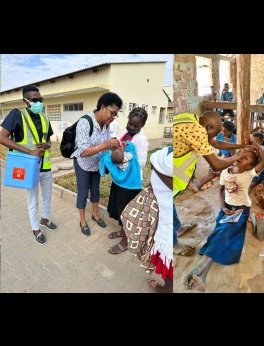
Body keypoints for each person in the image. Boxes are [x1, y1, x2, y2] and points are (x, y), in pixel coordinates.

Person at [182, 135, 264, 292]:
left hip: (241, 210)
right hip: (226, 208)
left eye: (246, 158)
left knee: (224, 233)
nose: (241, 157)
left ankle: (200, 268)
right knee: (220, 234)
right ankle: (203, 278)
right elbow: (221, 189)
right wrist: (223, 207)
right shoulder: (226, 171)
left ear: (249, 167)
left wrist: (254, 143)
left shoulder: (248, 174)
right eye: (241, 154)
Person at [173, 111, 247, 256]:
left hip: (171, 172)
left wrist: (239, 145)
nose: (213, 137)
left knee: (169, 205)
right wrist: (237, 156)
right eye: (214, 133)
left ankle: (177, 228)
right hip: (171, 176)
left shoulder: (192, 118)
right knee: (165, 207)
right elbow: (217, 164)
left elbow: (215, 142)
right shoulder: (198, 131)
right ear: (209, 127)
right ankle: (173, 245)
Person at [0, 85, 56, 245]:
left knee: (47, 197)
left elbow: (49, 140)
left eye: (40, 99)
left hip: (45, 166)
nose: (38, 102)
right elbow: (2, 137)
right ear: (25, 100)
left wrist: (47, 144)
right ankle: (35, 229)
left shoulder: (45, 118)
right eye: (34, 100)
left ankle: (45, 219)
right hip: (29, 167)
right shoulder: (17, 115)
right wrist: (29, 151)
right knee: (33, 199)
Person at [71, 92, 122, 236]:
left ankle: (95, 215)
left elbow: (104, 144)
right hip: (83, 163)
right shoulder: (85, 122)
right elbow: (82, 151)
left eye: (115, 115)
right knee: (82, 193)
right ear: (102, 107)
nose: (112, 118)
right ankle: (82, 221)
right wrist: (106, 144)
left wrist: (113, 146)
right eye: (112, 113)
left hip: (96, 164)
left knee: (96, 191)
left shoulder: (106, 125)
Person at [105, 107, 149, 254]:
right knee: (119, 210)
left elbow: (142, 162)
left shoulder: (141, 139)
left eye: (135, 126)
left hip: (130, 184)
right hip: (120, 180)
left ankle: (125, 242)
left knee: (127, 213)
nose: (131, 127)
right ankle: (121, 232)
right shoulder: (125, 134)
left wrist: (123, 159)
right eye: (130, 123)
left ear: (142, 125)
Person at [148, 146, 173, 293]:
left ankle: (166, 289)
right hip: (166, 215)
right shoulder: (164, 155)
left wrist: (156, 169)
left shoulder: (159, 158)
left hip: (167, 220)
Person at [188, 120, 237, 193]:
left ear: (231, 131)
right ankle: (199, 184)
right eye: (222, 131)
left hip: (230, 157)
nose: (223, 134)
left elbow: (234, 155)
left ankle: (197, 185)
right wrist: (220, 153)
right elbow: (219, 145)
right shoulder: (220, 135)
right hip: (223, 156)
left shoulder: (235, 138)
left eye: (226, 132)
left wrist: (229, 144)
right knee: (213, 167)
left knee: (215, 170)